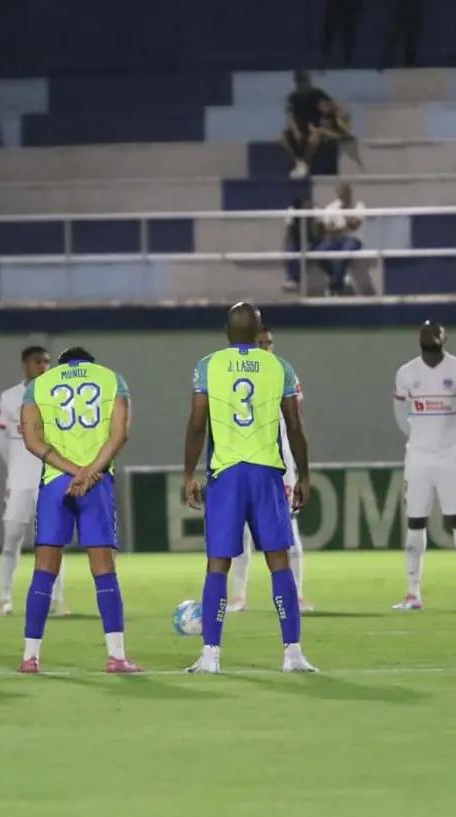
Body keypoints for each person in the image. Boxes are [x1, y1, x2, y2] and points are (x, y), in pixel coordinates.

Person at [182, 302, 315, 674]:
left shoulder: (208, 366)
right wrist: (304, 475)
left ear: (226, 331)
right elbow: (294, 426)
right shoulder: (279, 367)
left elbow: (197, 424)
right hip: (267, 473)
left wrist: (188, 473)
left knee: (218, 564)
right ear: (258, 332)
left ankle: (211, 656)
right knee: (278, 561)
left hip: (226, 475)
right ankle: (293, 654)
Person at [17, 346, 140, 674]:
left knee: (44, 569)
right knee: (104, 569)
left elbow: (32, 440)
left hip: (56, 482)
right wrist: (89, 471)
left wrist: (73, 471)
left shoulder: (39, 385)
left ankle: (30, 657)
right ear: (90, 363)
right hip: (95, 482)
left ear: (61, 365)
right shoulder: (112, 380)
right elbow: (120, 434)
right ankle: (116, 656)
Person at [392, 321, 456, 611]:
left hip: (451, 459)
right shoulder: (406, 373)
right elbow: (400, 415)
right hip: (419, 459)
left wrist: (454, 439)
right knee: (415, 521)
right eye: (425, 330)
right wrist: (421, 438)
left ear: (445, 338)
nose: (430, 334)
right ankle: (412, 594)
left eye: (436, 331)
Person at [227, 326, 310, 613]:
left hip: (279, 460)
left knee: (288, 525)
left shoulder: (284, 373)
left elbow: (295, 420)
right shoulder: (235, 373)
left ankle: (296, 595)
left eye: (269, 342)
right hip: (243, 459)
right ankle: (239, 596)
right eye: (261, 342)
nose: (266, 347)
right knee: (241, 530)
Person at [0, 346, 69, 618]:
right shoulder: (9, 397)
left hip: (49, 478)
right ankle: (4, 599)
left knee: (52, 540)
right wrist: (15, 468)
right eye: (38, 361)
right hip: (19, 479)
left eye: (47, 362)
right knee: (11, 538)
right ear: (25, 364)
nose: (43, 366)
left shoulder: (59, 396)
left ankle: (57, 600)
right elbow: (1, 440)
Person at [280, 71, 333, 179]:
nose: (302, 85)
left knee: (314, 139)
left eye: (304, 81)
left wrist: (321, 128)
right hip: (301, 129)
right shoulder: (293, 97)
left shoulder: (318, 95)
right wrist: (295, 131)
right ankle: (299, 162)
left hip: (316, 129)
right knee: (281, 138)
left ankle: (305, 162)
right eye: (299, 82)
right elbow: (290, 117)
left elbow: (329, 114)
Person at [317, 182, 365, 295]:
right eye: (341, 194)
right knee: (319, 252)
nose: (343, 196)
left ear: (350, 193)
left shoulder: (358, 206)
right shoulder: (331, 207)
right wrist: (341, 228)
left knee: (343, 255)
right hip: (335, 239)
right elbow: (327, 228)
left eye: (345, 193)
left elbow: (354, 226)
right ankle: (338, 280)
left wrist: (344, 211)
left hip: (353, 239)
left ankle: (333, 287)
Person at [281, 196, 323, 292]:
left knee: (308, 252)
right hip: (297, 240)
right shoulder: (293, 211)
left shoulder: (316, 212)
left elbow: (321, 231)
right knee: (289, 251)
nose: (307, 205)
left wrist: (312, 242)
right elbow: (289, 231)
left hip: (313, 241)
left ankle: (296, 280)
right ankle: (294, 279)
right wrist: (290, 244)